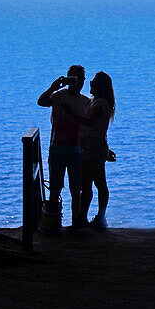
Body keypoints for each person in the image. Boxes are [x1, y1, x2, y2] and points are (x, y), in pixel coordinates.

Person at [37, 66, 90, 226]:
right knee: (55, 188)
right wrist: (53, 87)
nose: (77, 82)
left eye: (80, 78)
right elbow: (41, 102)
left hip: (76, 151)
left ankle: (76, 223)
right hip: (57, 150)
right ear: (67, 79)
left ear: (84, 81)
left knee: (76, 190)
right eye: (73, 78)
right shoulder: (58, 96)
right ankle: (53, 223)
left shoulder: (86, 102)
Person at [63, 71, 115, 229]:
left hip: (92, 146)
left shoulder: (100, 103)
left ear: (99, 86)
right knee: (99, 183)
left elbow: (90, 123)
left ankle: (82, 219)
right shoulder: (100, 102)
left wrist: (70, 112)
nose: (90, 84)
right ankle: (99, 217)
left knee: (86, 183)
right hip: (97, 144)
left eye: (93, 82)